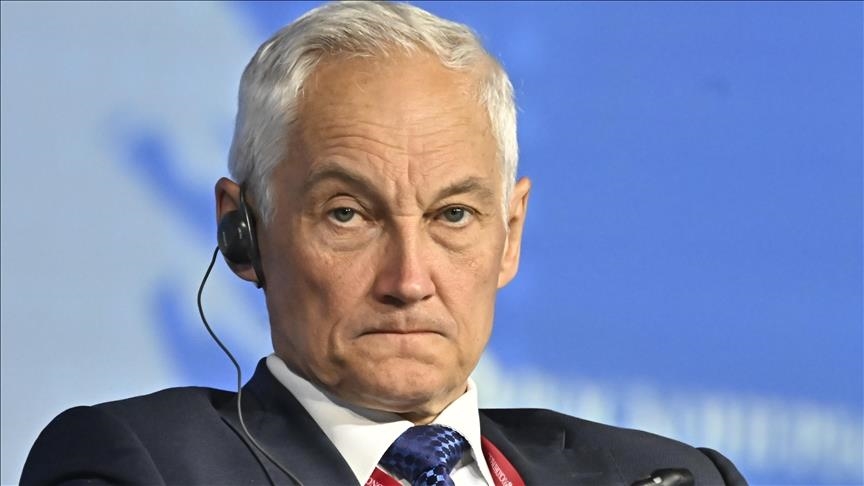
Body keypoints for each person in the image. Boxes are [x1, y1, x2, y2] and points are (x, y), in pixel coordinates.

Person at [22, 2, 747, 485]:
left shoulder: (673, 477)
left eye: (453, 216)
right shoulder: (140, 465)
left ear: (510, 236)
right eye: (348, 215)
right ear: (243, 234)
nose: (408, 280)